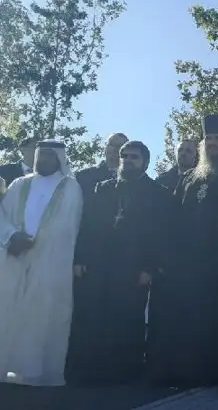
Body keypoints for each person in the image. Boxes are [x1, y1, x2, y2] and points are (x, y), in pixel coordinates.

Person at [147, 114, 218, 387]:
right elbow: (172, 221)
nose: (212, 142)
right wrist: (166, 259)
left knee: (211, 321)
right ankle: (178, 372)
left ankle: (208, 374)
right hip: (185, 265)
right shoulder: (190, 178)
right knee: (183, 320)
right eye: (208, 138)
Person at [67, 141, 172, 385]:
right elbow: (87, 226)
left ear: (145, 162)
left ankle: (124, 371)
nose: (127, 160)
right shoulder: (103, 189)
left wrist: (149, 268)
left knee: (128, 317)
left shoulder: (158, 194)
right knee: (96, 314)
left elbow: (162, 235)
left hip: (133, 266)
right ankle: (91, 369)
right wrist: (80, 258)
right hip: (100, 264)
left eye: (134, 157)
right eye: (124, 156)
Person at [0, 140, 83, 386]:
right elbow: (3, 215)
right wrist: (11, 237)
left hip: (50, 262)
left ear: (59, 158)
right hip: (13, 256)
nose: (43, 159)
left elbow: (68, 226)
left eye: (49, 155)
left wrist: (36, 244)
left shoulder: (71, 187)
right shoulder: (19, 184)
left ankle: (34, 372)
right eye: (40, 154)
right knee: (7, 310)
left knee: (41, 315)